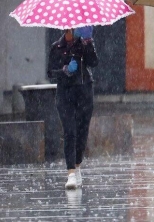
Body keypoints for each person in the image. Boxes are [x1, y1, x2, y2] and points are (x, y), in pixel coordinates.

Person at [47, 25, 97, 190]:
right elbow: (50, 72)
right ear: (66, 29)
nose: (74, 32)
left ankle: (77, 164)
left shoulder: (84, 44)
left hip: (84, 91)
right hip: (65, 95)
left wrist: (88, 43)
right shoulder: (56, 47)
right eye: (72, 29)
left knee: (82, 130)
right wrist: (65, 70)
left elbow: (94, 62)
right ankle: (70, 173)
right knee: (70, 131)